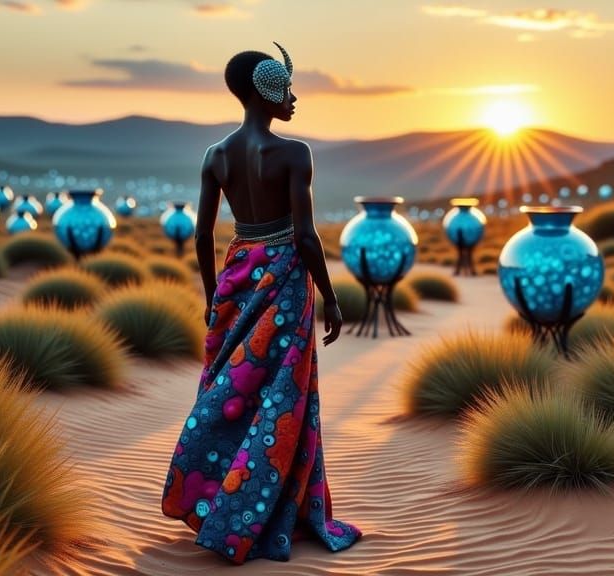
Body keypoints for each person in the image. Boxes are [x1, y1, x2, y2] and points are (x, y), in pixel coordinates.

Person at [160, 43, 361, 564]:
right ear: (260, 91)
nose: (293, 99)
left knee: (233, 388)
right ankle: (265, 511)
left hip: (237, 274)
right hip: (287, 277)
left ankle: (217, 501)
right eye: (283, 88)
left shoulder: (216, 155)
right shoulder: (295, 153)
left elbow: (203, 234)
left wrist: (213, 296)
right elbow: (307, 236)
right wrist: (332, 299)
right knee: (282, 398)